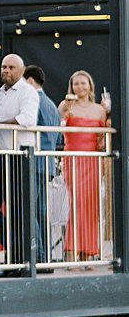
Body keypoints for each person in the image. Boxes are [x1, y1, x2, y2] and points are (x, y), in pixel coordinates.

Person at [0, 53, 40, 265]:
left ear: (21, 71)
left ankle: (27, 259)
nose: (6, 70)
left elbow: (27, 119)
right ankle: (16, 255)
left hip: (19, 157)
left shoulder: (28, 92)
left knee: (19, 211)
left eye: (11, 67)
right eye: (4, 67)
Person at [59, 69, 109, 262]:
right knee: (77, 203)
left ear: (90, 86)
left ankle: (88, 252)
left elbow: (102, 137)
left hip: (93, 160)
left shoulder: (100, 109)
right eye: (76, 83)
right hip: (73, 158)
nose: (79, 86)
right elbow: (59, 127)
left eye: (83, 83)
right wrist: (65, 112)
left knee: (91, 204)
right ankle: (71, 250)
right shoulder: (66, 105)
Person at [23, 64, 63, 262]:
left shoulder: (33, 101)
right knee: (40, 211)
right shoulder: (52, 104)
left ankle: (37, 255)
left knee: (29, 209)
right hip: (47, 162)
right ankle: (45, 255)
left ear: (29, 80)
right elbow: (58, 139)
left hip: (34, 160)